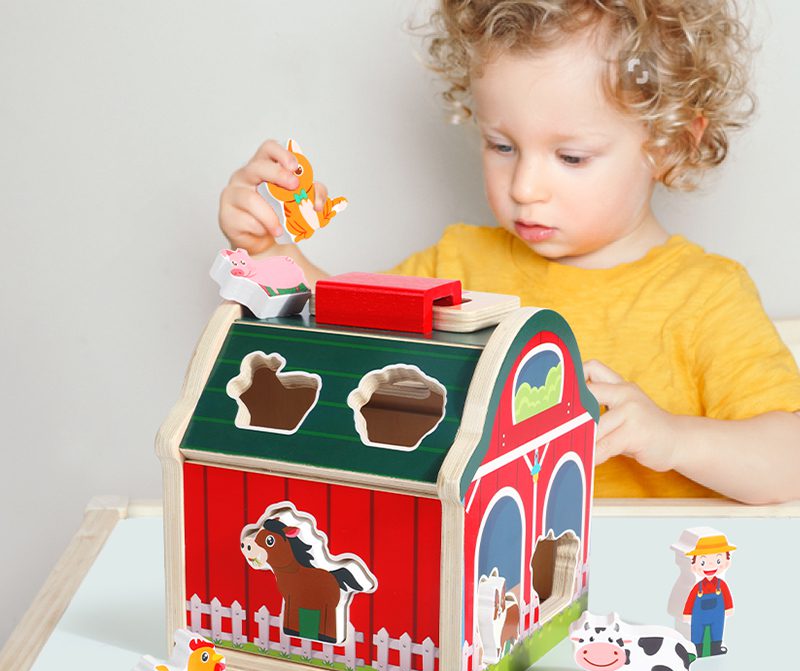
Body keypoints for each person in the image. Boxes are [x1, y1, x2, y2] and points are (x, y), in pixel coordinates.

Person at [218, 0, 800, 503]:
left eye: (571, 157)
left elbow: (788, 461)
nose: (524, 187)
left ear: (671, 146)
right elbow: (337, 332)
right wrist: (267, 248)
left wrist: (670, 437)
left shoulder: (706, 295)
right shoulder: (457, 266)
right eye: (501, 145)